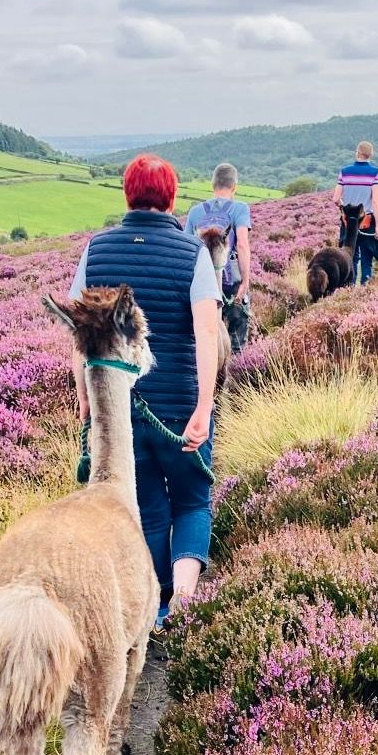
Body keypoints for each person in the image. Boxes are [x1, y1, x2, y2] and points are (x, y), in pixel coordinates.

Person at [68, 154, 221, 628]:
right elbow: (208, 333)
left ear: (128, 195)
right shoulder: (191, 253)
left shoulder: (96, 251)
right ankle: (185, 601)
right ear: (171, 197)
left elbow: (80, 339)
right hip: (178, 405)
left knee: (150, 505)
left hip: (123, 411)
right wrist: (203, 406)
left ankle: (155, 606)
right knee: (193, 499)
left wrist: (87, 403)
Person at [183, 162, 252, 353]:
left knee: (203, 338)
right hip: (231, 282)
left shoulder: (196, 212)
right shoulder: (240, 208)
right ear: (234, 186)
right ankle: (235, 380)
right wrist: (245, 282)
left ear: (213, 185)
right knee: (236, 340)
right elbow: (242, 244)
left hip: (200, 284)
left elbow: (187, 249)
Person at [333, 140, 378, 285]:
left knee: (350, 258)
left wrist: (344, 209)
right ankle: (365, 290)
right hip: (367, 221)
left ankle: (349, 291)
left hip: (348, 222)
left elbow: (336, 199)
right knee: (367, 259)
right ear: (370, 155)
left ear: (357, 153)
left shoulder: (345, 171)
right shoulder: (375, 173)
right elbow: (375, 200)